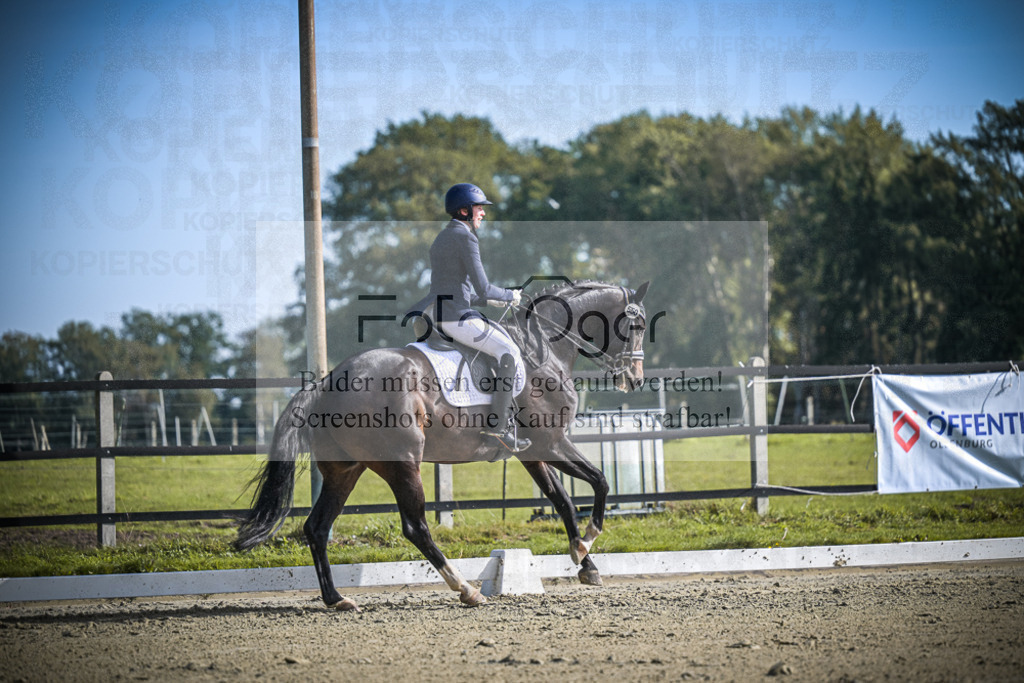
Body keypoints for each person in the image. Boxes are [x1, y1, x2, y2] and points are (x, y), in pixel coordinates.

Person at [409, 183, 531, 453]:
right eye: (479, 208)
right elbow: (483, 288)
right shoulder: (466, 238)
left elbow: (457, 290)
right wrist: (509, 295)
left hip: (436, 313)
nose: (483, 213)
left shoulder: (442, 237)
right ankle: (498, 430)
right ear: (464, 211)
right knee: (509, 352)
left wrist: (491, 299)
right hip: (455, 317)